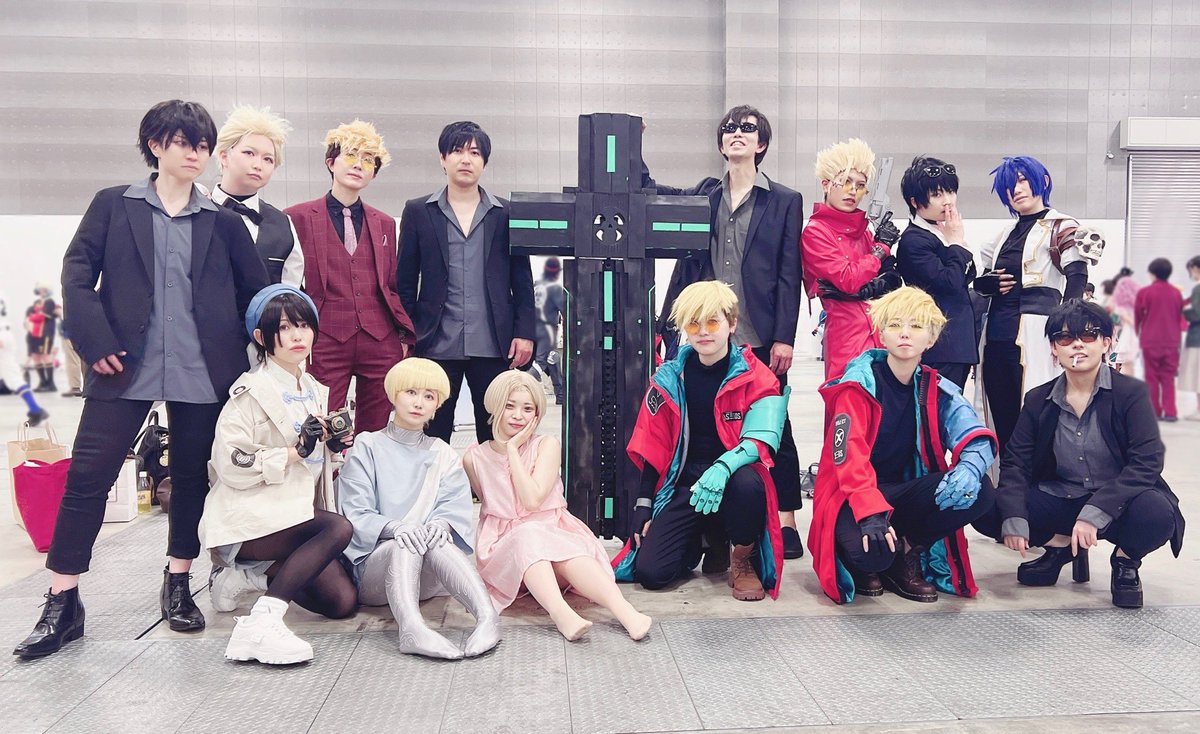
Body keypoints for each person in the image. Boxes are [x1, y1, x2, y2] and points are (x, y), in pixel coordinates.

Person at [14, 100, 269, 660]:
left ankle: (178, 582)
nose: (196, 154)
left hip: (204, 369)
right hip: (122, 364)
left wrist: (260, 344)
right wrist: (94, 340)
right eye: (184, 143)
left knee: (190, 479)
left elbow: (255, 294)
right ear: (156, 146)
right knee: (88, 477)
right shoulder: (113, 205)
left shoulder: (223, 222)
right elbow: (77, 275)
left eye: (203, 146)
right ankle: (62, 601)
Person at [648, 105, 806, 559]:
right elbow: (648, 189)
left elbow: (788, 273)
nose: (737, 133)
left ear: (761, 143)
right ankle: (716, 521)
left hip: (760, 336)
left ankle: (786, 519)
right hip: (710, 336)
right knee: (710, 422)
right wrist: (635, 138)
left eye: (747, 129)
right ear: (721, 143)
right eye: (730, 128)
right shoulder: (705, 196)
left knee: (776, 429)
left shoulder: (785, 200)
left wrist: (785, 337)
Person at [976, 299, 1184, 609]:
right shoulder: (1038, 399)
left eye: (1088, 335)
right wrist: (1015, 515)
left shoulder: (1130, 394)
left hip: (1118, 501)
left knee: (1157, 514)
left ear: (1106, 343)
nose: (1077, 345)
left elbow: (1147, 463)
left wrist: (1095, 512)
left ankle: (1125, 561)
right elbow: (1016, 462)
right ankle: (1061, 546)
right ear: (1053, 349)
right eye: (1064, 338)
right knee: (986, 505)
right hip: (1061, 496)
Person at [808, 287, 997, 605]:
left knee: (980, 490)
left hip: (902, 491)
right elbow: (848, 456)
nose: (905, 333)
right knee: (873, 555)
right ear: (881, 334)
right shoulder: (857, 385)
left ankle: (907, 551)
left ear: (931, 338)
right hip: (851, 497)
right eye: (895, 325)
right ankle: (864, 561)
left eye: (916, 326)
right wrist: (870, 512)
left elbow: (970, 429)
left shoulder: (934, 387)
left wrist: (970, 466)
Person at [198, 284, 356, 664]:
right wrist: (294, 451)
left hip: (292, 514)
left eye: (303, 325)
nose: (297, 335)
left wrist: (332, 446)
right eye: (284, 327)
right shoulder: (250, 392)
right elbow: (230, 462)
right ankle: (261, 624)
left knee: (342, 602)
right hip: (252, 518)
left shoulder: (314, 389)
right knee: (338, 528)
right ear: (261, 336)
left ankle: (252, 577)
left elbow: (311, 464)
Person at [613, 281, 788, 602]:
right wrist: (643, 505)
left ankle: (742, 556)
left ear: (731, 324)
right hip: (685, 486)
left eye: (712, 322)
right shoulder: (668, 378)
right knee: (651, 573)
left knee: (749, 483)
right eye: (693, 323)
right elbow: (652, 446)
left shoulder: (758, 375)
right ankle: (705, 539)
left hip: (734, 481)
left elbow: (761, 440)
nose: (703, 332)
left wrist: (723, 467)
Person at [464, 370, 651, 641]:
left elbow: (533, 500)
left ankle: (626, 612)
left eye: (527, 409)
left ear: (537, 413)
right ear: (495, 406)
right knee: (527, 535)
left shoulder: (546, 445)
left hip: (552, 532)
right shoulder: (474, 457)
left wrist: (513, 451)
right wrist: (512, 450)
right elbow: (495, 505)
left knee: (561, 550)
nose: (518, 416)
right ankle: (562, 614)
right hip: (505, 554)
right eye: (509, 406)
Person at [339, 358, 499, 659]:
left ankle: (488, 618)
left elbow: (453, 508)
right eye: (410, 392)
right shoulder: (367, 445)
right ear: (393, 394)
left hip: (428, 575)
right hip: (375, 573)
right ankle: (412, 629)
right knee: (406, 540)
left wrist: (440, 525)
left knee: (436, 538)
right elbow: (354, 511)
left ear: (438, 404)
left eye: (429, 396)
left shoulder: (443, 452)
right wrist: (396, 528)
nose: (419, 403)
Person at [398, 121, 536, 444]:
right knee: (432, 431)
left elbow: (522, 281)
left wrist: (525, 332)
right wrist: (405, 334)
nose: (465, 159)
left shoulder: (505, 213)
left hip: (493, 342)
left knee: (495, 429)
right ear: (442, 158)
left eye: (474, 153)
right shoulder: (418, 211)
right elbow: (404, 280)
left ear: (484, 162)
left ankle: (494, 480)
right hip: (435, 342)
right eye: (457, 151)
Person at [285, 120, 415, 436]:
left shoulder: (385, 223)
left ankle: (368, 470)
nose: (359, 165)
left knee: (378, 430)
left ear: (374, 174)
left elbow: (391, 284)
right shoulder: (297, 217)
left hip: (379, 338)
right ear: (331, 162)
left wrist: (400, 337)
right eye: (351, 155)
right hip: (326, 337)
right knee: (323, 425)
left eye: (368, 160)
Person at [974, 156, 1089, 454]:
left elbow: (1077, 276)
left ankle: (1038, 479)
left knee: (1036, 414)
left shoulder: (1061, 226)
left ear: (1043, 182)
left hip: (1037, 335)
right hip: (996, 337)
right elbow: (979, 279)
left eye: (1023, 180)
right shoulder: (1002, 236)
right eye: (1009, 185)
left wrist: (1067, 328)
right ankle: (1007, 479)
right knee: (1000, 417)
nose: (1016, 189)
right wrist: (984, 284)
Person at [801, 137, 903, 381]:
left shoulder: (864, 232)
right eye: (845, 182)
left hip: (880, 335)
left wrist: (880, 268)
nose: (853, 191)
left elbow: (891, 280)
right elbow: (848, 280)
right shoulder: (815, 232)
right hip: (846, 339)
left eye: (860, 185)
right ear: (826, 184)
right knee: (848, 401)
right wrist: (880, 249)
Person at [895, 156, 978, 389]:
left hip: (956, 345)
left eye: (950, 192)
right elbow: (950, 282)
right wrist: (956, 243)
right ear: (915, 201)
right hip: (939, 345)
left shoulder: (943, 233)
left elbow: (967, 276)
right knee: (935, 406)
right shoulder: (914, 241)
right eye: (937, 194)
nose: (947, 201)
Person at [212, 105, 304, 287]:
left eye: (268, 159)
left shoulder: (282, 223)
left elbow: (291, 292)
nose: (258, 165)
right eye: (249, 153)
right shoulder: (195, 211)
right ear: (224, 156)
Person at [1136, 258, 1185, 422]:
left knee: (1151, 377)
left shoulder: (1145, 292)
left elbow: (1138, 316)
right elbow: (1179, 316)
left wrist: (1138, 333)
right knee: (1168, 377)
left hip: (1150, 340)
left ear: (1152, 273)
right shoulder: (1176, 293)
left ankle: (1155, 411)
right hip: (1171, 341)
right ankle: (1170, 412)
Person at [0, 291, 49, 424]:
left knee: (13, 378)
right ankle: (36, 409)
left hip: (2, 336)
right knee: (12, 377)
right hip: (6, 334)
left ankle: (36, 410)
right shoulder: (3, 296)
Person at [532, 256, 565, 404]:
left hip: (531, 327)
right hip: (547, 329)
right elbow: (565, 309)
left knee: (552, 359)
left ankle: (561, 394)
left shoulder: (535, 286)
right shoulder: (554, 288)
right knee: (540, 363)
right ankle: (521, 385)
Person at [25, 283, 59, 393]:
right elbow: (29, 317)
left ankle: (50, 383)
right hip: (34, 335)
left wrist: (34, 317)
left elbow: (43, 316)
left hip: (45, 333)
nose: (42, 291)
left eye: (44, 289)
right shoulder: (36, 303)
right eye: (40, 289)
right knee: (36, 356)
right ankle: (43, 382)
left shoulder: (49, 302)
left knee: (46, 355)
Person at [1109, 272, 1141, 376]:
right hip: (1134, 334)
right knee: (1131, 364)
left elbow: (1127, 319)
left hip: (1128, 334)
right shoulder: (1137, 304)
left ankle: (1124, 383)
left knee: (1127, 365)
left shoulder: (1120, 306)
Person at [1183, 256, 1200, 421]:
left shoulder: (1198, 289)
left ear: (1195, 268)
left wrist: (1182, 310)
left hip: (1197, 338)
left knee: (1198, 375)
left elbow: (1196, 313)